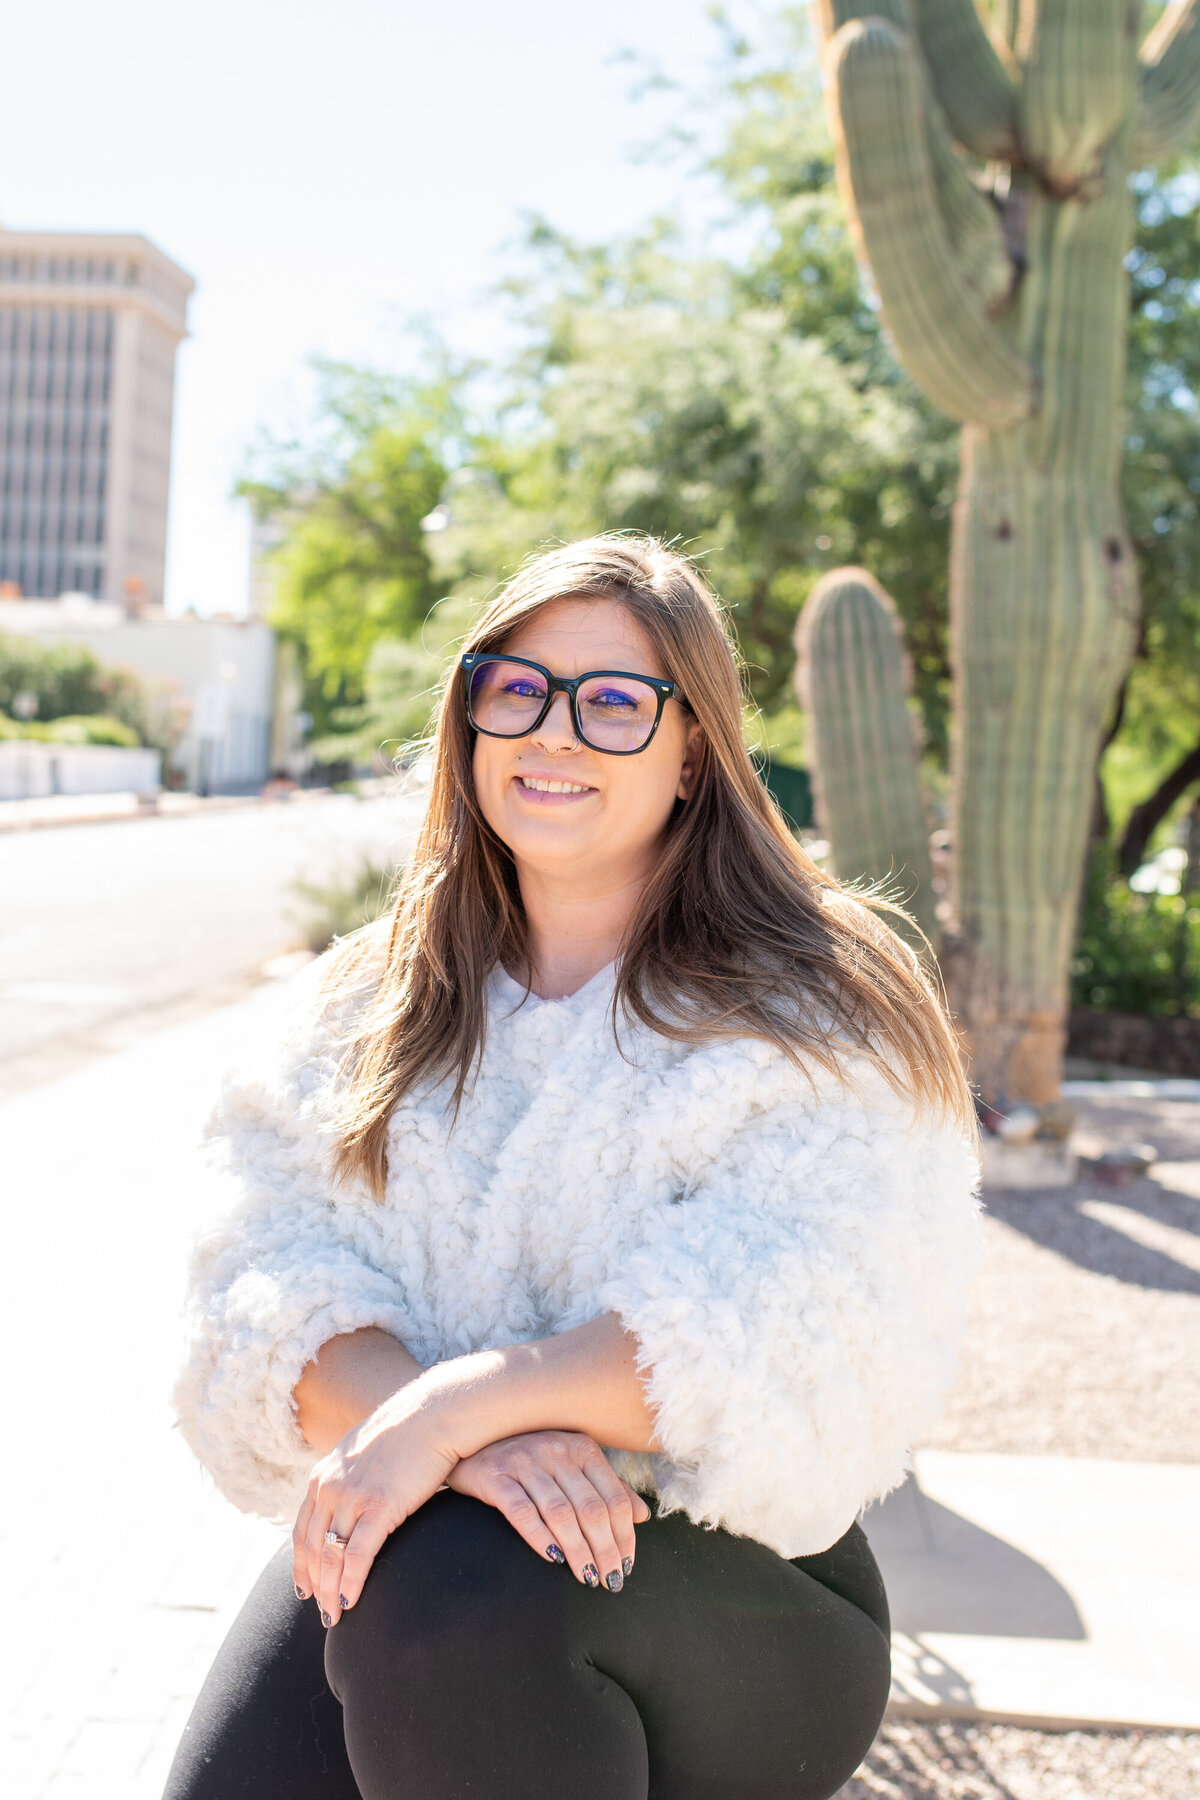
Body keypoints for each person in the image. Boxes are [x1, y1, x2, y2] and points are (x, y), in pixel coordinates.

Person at [165, 535, 982, 1800]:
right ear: (471, 718)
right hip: (427, 1527)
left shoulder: (815, 1009)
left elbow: (791, 1317)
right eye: (516, 690)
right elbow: (261, 1273)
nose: (552, 735)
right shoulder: (364, 1003)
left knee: (451, 1601)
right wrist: (453, 1441)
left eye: (612, 703)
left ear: (694, 746)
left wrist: (455, 1409)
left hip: (740, 1585)